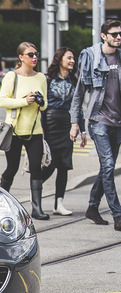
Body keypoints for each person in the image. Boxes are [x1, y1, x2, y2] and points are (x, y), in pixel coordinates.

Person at [70, 19, 121, 231]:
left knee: (106, 168)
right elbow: (79, 92)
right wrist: (75, 123)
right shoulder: (91, 56)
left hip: (118, 122)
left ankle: (92, 207)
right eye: (114, 34)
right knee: (109, 165)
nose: (118, 37)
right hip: (98, 120)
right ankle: (118, 214)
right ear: (104, 36)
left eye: (120, 34)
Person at [0, 42, 49, 220]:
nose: (35, 57)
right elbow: (2, 101)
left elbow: (45, 106)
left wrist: (40, 103)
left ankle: (37, 208)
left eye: (36, 54)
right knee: (12, 168)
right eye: (30, 54)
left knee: (36, 168)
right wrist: (24, 101)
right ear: (21, 57)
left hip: (34, 130)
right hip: (14, 130)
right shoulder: (12, 76)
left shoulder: (41, 77)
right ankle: (1, 204)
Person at [42, 47, 87, 216]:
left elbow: (78, 108)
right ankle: (36, 194)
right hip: (51, 123)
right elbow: (42, 107)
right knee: (49, 164)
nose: (72, 61)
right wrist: (41, 129)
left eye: (73, 58)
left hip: (67, 125)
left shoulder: (74, 81)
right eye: (69, 58)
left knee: (64, 165)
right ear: (60, 59)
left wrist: (82, 130)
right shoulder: (47, 80)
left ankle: (58, 203)